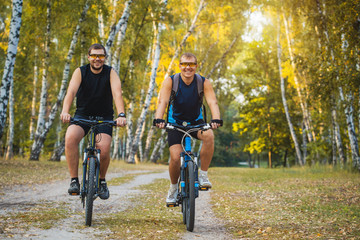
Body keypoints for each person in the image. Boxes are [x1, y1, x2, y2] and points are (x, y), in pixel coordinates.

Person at [153, 52, 222, 205]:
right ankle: (173, 188)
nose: (188, 68)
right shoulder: (171, 81)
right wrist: (159, 119)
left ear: (196, 66)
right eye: (184, 64)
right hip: (175, 123)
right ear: (180, 66)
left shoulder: (203, 82)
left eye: (191, 64)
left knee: (209, 136)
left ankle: (203, 175)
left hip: (196, 123)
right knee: (176, 158)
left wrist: (216, 119)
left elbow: (212, 103)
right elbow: (162, 102)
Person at [60, 43, 126, 200]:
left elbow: (117, 94)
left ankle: (102, 181)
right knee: (70, 138)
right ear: (89, 57)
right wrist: (65, 111)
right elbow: (71, 92)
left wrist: (121, 114)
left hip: (104, 117)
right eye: (94, 55)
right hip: (82, 115)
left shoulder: (110, 72)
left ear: (105, 58)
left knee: (102, 148)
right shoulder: (80, 72)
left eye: (101, 56)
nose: (97, 59)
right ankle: (74, 181)